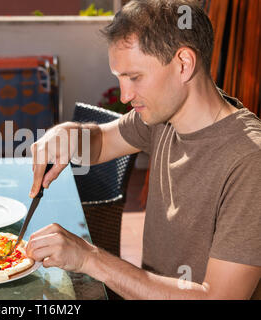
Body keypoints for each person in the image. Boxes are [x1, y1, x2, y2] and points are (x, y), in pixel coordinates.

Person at [26, 0, 261, 299]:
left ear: (183, 64)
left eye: (134, 77)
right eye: (119, 78)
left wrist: (89, 258)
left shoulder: (249, 161)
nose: (125, 95)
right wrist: (68, 134)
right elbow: (99, 144)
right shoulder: (162, 117)